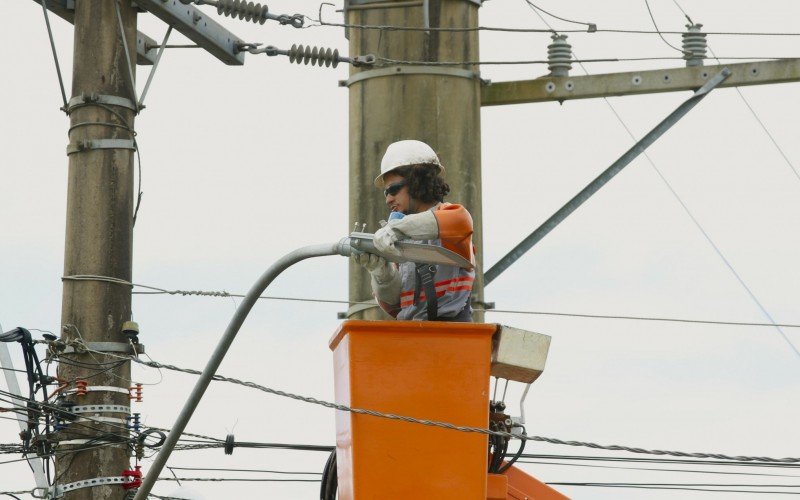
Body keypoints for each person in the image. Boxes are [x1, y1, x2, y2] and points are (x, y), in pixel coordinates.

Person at [355, 140, 475, 321]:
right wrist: (381, 272)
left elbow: (460, 221)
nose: (388, 199)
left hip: (452, 333)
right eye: (385, 193)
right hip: (413, 335)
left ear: (416, 181)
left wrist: (397, 228)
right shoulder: (401, 241)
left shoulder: (450, 219)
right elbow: (394, 305)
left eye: (393, 190)